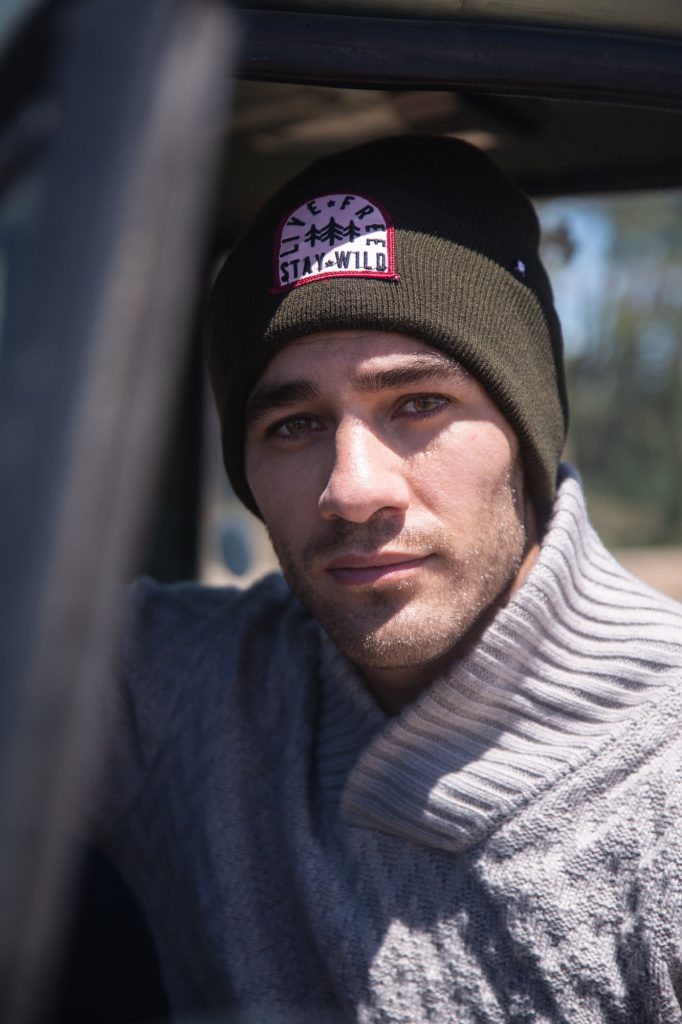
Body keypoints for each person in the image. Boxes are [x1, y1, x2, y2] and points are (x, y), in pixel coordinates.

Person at [89, 136, 682, 1023]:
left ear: (526, 432)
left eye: (419, 404)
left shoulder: (662, 788)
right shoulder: (196, 692)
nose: (352, 489)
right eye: (293, 425)